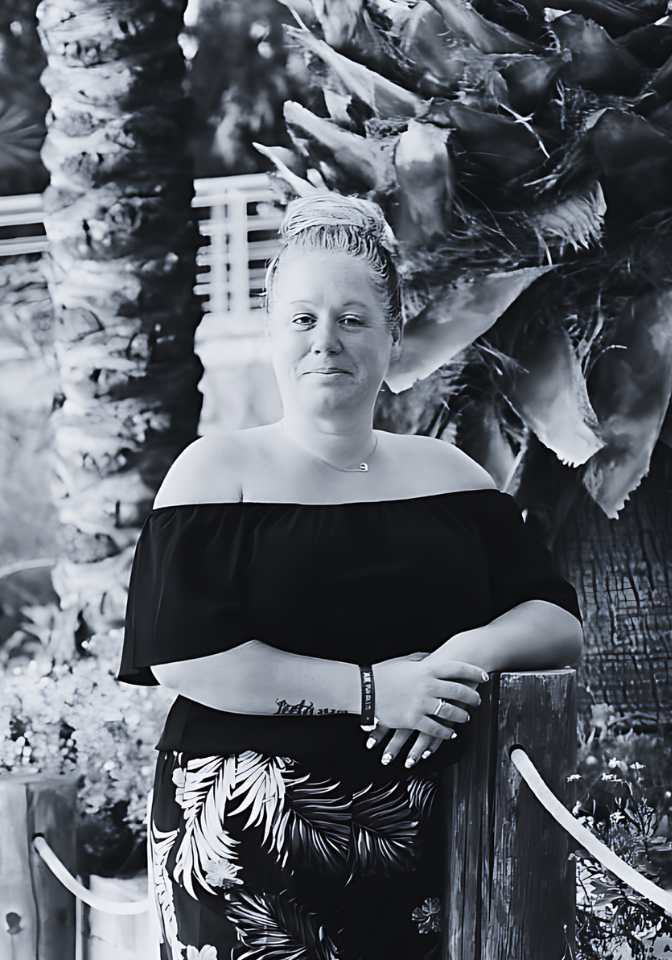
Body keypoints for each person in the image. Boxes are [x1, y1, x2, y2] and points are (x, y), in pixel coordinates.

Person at [118, 194, 583, 960]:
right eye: (302, 318)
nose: (324, 341)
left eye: (352, 318)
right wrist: (374, 690)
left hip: (429, 845)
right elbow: (187, 654)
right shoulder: (216, 474)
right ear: (272, 332)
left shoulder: (450, 478)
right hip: (245, 852)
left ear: (394, 337)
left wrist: (459, 655)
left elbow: (557, 623)